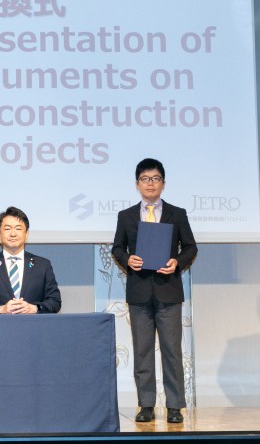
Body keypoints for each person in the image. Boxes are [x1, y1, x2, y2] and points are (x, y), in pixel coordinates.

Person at [112, 158, 197, 425]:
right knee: (143, 351)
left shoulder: (177, 213)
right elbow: (117, 248)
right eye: (145, 179)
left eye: (156, 178)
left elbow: (191, 247)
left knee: (172, 351)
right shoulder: (126, 216)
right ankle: (146, 405)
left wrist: (177, 262)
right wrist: (128, 260)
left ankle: (174, 406)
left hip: (168, 292)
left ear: (163, 183)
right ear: (137, 184)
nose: (150, 183)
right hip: (139, 294)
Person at [0, 206, 62, 314]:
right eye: (7, 229)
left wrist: (35, 308)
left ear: (26, 233)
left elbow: (55, 301)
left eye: (18, 229)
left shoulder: (43, 265)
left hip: (33, 324)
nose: (13, 234)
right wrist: (1, 309)